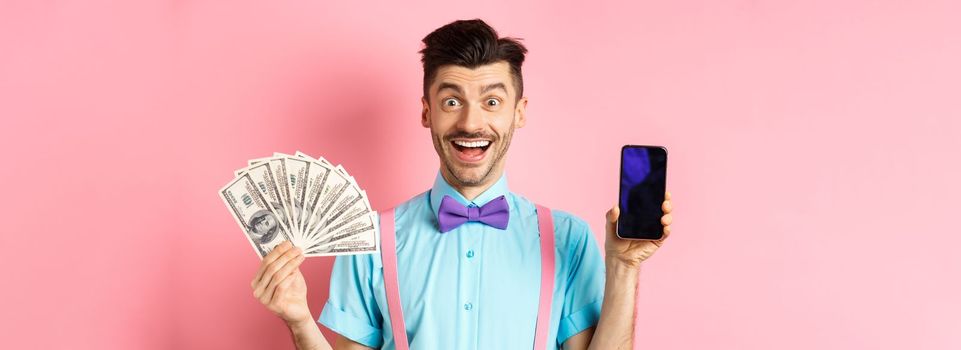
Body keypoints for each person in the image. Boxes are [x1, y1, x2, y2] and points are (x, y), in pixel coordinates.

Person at [249, 19, 674, 350]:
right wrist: (299, 320)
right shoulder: (368, 242)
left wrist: (624, 267)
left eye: (492, 101)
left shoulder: (569, 238)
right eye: (452, 101)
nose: (471, 123)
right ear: (426, 112)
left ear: (518, 112)